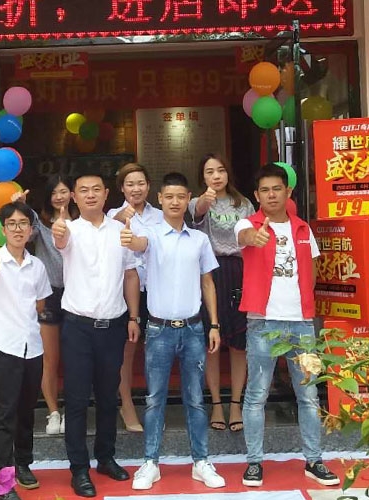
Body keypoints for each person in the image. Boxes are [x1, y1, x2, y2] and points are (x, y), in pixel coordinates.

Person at [234, 164, 339, 487]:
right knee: (256, 395)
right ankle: (254, 462)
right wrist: (255, 237)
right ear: (256, 195)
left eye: (276, 189)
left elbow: (313, 269)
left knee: (308, 395)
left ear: (288, 192)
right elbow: (244, 237)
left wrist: (304, 306)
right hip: (263, 321)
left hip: (302, 322)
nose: (271, 195)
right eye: (264, 190)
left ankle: (314, 460)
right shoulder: (248, 224)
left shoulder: (303, 229)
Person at [121, 172, 226, 490]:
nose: (175, 202)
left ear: (188, 198)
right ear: (160, 199)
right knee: (155, 399)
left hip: (194, 328)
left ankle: (201, 462)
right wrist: (128, 236)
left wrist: (214, 324)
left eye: (181, 196)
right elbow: (137, 244)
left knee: (195, 399)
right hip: (159, 330)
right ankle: (150, 463)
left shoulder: (199, 240)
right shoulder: (150, 234)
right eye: (169, 197)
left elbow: (208, 283)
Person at [52, 171, 141, 498]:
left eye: (96, 190)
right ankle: (79, 468)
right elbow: (60, 241)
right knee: (76, 400)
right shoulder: (68, 229)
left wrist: (134, 316)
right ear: (74, 197)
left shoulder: (121, 231)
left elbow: (130, 276)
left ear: (106, 194)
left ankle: (105, 457)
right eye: (83, 191)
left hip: (113, 326)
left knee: (108, 397)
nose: (90, 195)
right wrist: (59, 229)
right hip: (78, 328)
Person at [0, 201, 53, 500]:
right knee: (3, 413)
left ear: (31, 229)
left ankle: (23, 464)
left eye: (23, 223)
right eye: (12, 224)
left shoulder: (38, 266)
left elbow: (40, 303)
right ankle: (2, 478)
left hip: (32, 347)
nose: (18, 229)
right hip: (5, 346)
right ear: (3, 229)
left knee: (26, 411)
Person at [189, 153, 255, 433]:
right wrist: (206, 199)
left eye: (220, 170)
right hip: (210, 272)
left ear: (228, 173)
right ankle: (216, 402)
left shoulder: (244, 203)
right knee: (211, 342)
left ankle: (236, 402)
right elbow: (197, 211)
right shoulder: (197, 201)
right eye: (209, 172)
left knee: (239, 343)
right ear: (202, 177)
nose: (216, 176)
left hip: (240, 270)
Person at [12, 175, 79, 435]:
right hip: (48, 294)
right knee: (50, 358)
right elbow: (23, 232)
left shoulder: (83, 222)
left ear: (72, 194)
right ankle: (53, 412)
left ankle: (73, 411)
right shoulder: (39, 224)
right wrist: (21, 206)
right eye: (54, 193)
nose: (59, 197)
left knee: (75, 359)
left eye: (64, 191)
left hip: (79, 294)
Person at [107, 163, 164, 433]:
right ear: (122, 188)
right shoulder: (111, 215)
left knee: (156, 351)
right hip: (126, 290)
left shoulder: (161, 215)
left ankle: (155, 406)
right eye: (130, 184)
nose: (136, 189)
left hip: (157, 289)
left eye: (141, 183)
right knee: (127, 350)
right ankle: (126, 403)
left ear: (149, 186)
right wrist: (119, 218)